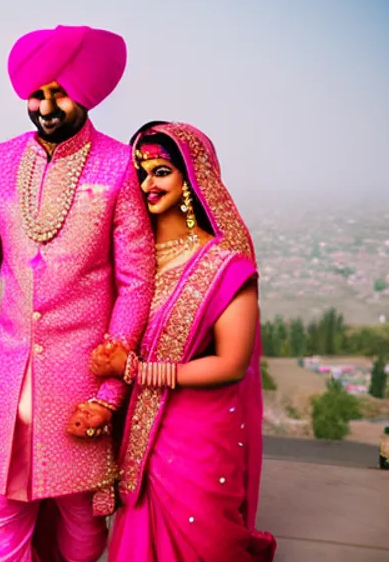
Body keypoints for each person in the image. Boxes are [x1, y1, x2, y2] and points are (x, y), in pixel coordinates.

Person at [0, 25, 155, 562]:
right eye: (37, 94)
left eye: (59, 94)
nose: (46, 107)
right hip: (5, 378)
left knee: (80, 519)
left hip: (81, 380)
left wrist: (108, 394)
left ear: (85, 94)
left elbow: (136, 282)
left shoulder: (119, 164)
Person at [90, 121, 277, 561]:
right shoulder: (130, 258)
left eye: (161, 171)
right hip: (137, 423)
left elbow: (232, 363)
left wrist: (136, 371)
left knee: (204, 537)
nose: (147, 183)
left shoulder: (225, 266)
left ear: (192, 177)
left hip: (197, 429)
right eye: (139, 171)